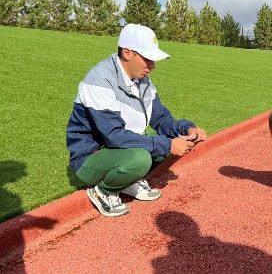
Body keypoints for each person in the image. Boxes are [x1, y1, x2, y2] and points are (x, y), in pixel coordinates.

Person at [66, 24, 206, 217]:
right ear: (127, 52)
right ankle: (103, 191)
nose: (152, 66)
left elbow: (162, 119)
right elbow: (113, 136)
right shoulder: (99, 81)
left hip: (121, 149)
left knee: (176, 143)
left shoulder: (143, 82)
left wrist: (187, 129)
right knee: (142, 157)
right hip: (89, 158)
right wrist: (166, 145)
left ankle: (128, 180)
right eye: (147, 59)